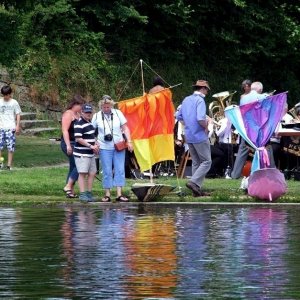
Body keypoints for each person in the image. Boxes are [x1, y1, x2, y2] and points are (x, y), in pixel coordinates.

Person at [92, 95, 133, 202]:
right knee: (107, 170)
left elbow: (125, 128)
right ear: (101, 106)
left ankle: (119, 193)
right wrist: (95, 142)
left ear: (111, 105)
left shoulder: (118, 113)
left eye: (108, 107)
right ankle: (107, 194)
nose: (106, 109)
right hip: (104, 146)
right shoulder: (96, 116)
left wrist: (129, 141)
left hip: (118, 145)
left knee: (120, 169)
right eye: (104, 107)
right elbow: (91, 132)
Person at [230, 81, 275, 179]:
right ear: (261, 89)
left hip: (247, 129)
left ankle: (235, 174)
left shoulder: (243, 98)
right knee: (267, 150)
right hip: (260, 130)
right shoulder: (265, 96)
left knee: (242, 152)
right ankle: (272, 173)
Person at [176, 80, 212, 196]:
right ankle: (193, 182)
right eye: (206, 89)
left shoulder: (186, 99)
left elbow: (178, 116)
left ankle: (196, 190)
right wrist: (206, 127)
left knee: (196, 162)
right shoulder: (200, 100)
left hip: (189, 135)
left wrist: (188, 124)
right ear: (202, 89)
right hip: (199, 135)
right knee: (206, 161)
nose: (207, 92)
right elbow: (200, 118)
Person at [73, 103, 99, 201]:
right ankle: (82, 194)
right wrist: (90, 146)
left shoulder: (89, 122)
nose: (88, 114)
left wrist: (96, 144)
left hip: (90, 152)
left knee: (92, 172)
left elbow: (92, 136)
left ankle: (88, 193)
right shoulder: (79, 123)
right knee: (82, 173)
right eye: (86, 112)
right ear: (82, 112)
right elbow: (78, 139)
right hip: (82, 153)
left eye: (90, 112)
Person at [61, 95, 85, 198]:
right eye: (81, 105)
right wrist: (68, 145)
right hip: (69, 142)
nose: (82, 108)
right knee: (79, 165)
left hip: (77, 143)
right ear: (75, 104)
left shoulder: (78, 115)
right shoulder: (68, 114)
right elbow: (65, 130)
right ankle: (68, 186)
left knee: (73, 166)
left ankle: (69, 190)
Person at [0, 85, 21, 170]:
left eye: (6, 95)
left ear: (10, 94)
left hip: (10, 128)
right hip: (1, 127)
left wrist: (17, 126)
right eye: (3, 95)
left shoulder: (14, 102)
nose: (5, 96)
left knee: (10, 147)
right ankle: (0, 163)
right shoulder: (0, 102)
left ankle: (9, 165)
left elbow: (18, 114)